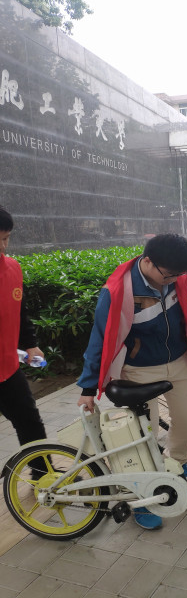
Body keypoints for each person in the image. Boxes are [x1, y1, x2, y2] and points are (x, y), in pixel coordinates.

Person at [77, 233, 187, 530]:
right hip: (138, 370)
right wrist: (88, 387)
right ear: (148, 261)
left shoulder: (182, 276)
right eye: (169, 275)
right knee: (144, 435)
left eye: (180, 274)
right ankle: (143, 496)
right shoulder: (118, 290)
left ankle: (176, 465)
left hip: (179, 361)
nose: (175, 280)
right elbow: (100, 338)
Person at [0, 206, 48, 480]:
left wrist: (29, 344)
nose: (3, 246)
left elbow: (19, 311)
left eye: (5, 238)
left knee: (30, 422)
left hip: (7, 368)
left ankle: (44, 476)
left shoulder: (13, 268)